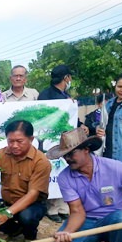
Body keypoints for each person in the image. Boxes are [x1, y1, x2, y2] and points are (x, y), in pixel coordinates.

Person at [0, 120, 51, 241]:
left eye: (19, 141)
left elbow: (33, 194)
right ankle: (14, 230)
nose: (14, 145)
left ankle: (30, 237)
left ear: (31, 139)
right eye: (10, 141)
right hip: (8, 201)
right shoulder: (2, 154)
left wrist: (7, 213)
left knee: (27, 217)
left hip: (31, 204)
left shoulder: (41, 161)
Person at [38, 64, 87, 223]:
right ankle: (52, 207)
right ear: (66, 77)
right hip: (50, 140)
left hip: (66, 141)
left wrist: (80, 125)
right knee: (52, 171)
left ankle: (63, 207)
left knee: (64, 170)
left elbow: (70, 117)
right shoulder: (46, 95)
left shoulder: (65, 96)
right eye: (69, 77)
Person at [97, 69, 122, 210]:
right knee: (108, 187)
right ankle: (111, 216)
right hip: (107, 153)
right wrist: (98, 129)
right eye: (120, 86)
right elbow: (102, 124)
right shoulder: (109, 104)